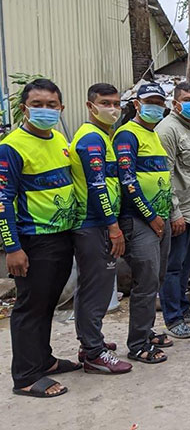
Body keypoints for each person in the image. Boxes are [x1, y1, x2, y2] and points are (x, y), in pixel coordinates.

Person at [0, 79, 79, 399]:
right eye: (38, 105)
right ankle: (25, 376)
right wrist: (12, 247)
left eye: (51, 105)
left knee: (47, 302)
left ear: (61, 108)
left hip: (61, 235)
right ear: (24, 109)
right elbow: (2, 198)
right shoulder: (12, 146)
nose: (45, 110)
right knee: (30, 307)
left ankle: (43, 360)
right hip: (33, 239)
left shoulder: (58, 138)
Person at [69, 83, 131, 374]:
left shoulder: (101, 137)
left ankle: (91, 342)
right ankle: (94, 353)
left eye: (116, 103)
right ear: (90, 105)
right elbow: (96, 187)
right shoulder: (92, 139)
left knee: (91, 287)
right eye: (105, 102)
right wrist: (113, 227)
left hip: (96, 223)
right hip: (94, 224)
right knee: (97, 288)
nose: (112, 109)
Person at [113, 82, 173, 365]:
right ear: (136, 105)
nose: (156, 107)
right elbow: (127, 181)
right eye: (150, 101)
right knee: (145, 282)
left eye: (159, 102)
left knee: (156, 279)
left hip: (160, 220)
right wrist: (150, 216)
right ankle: (137, 344)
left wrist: (166, 216)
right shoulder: (127, 134)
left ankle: (146, 330)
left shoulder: (154, 135)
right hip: (139, 221)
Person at [155, 82, 190, 340]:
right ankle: (173, 318)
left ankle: (184, 308)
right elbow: (163, 176)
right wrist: (174, 213)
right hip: (181, 214)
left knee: (187, 266)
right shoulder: (167, 130)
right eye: (188, 99)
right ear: (175, 102)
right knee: (173, 267)